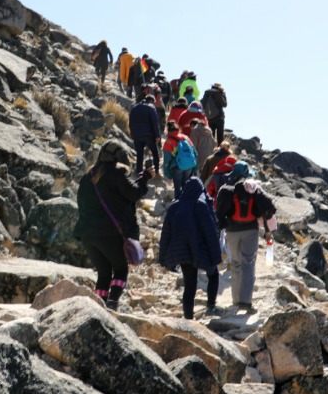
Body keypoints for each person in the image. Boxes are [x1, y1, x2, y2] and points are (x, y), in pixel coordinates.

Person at [74, 141, 151, 309]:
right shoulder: (116, 172)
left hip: (87, 234)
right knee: (121, 269)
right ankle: (112, 304)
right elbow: (133, 193)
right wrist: (145, 178)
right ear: (120, 157)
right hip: (110, 233)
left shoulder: (87, 177)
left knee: (104, 273)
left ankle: (99, 308)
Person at [216, 161, 277, 314]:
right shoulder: (254, 189)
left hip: (232, 231)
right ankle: (246, 302)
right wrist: (268, 231)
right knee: (248, 264)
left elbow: (218, 213)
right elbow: (268, 208)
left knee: (236, 263)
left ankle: (236, 300)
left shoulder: (227, 190)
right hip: (250, 230)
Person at [159, 175, 222, 319]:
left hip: (181, 252)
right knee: (213, 274)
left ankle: (188, 317)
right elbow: (210, 232)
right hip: (200, 250)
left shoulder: (175, 205)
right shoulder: (201, 205)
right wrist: (215, 256)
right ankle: (211, 306)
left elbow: (166, 233)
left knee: (189, 285)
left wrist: (163, 257)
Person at [129, 92, 162, 175]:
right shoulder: (151, 107)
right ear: (152, 101)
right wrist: (157, 136)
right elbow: (155, 123)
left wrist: (133, 134)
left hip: (136, 135)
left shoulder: (134, 107)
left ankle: (139, 172)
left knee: (139, 154)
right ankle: (157, 171)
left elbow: (130, 123)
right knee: (155, 152)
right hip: (148, 135)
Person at [162, 121, 198, 194]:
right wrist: (195, 168)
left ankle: (178, 200)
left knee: (177, 189)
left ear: (168, 130)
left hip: (177, 167)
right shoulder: (186, 138)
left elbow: (167, 159)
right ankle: (185, 201)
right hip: (189, 166)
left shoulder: (168, 141)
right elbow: (195, 153)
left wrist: (167, 173)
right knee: (185, 186)